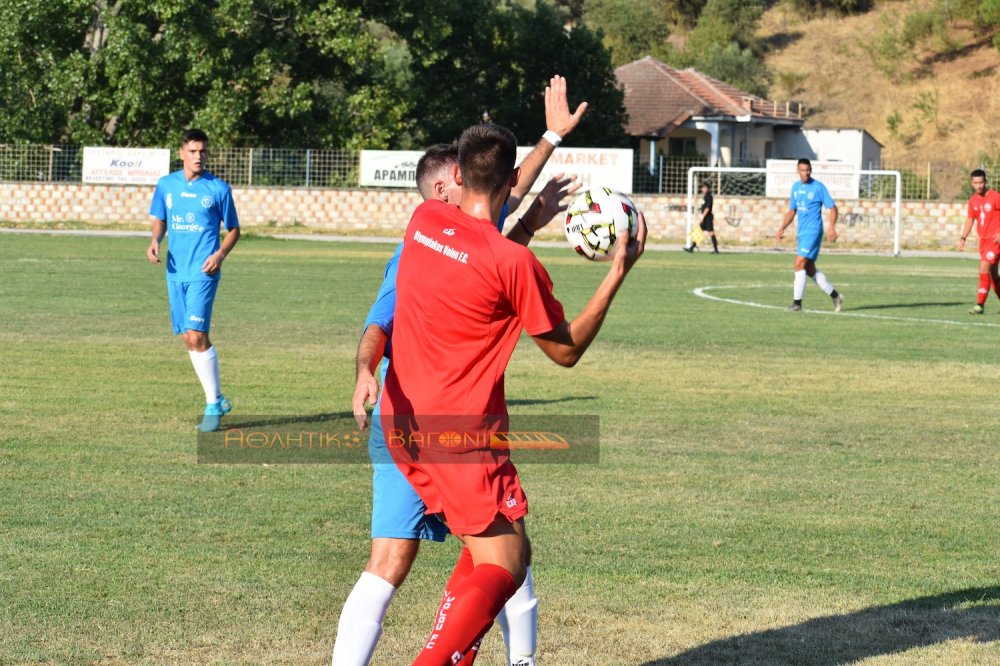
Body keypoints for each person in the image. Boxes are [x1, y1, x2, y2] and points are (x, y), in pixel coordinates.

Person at [332, 76, 586, 666]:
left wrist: (549, 140)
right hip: (428, 422)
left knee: (500, 553)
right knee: (408, 560)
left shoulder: (439, 229)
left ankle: (514, 661)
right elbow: (379, 322)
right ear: (443, 189)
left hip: (418, 423)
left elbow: (498, 216)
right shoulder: (424, 238)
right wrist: (365, 369)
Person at [380, 122, 644, 665]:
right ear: (506, 183)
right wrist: (617, 272)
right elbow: (565, 350)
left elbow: (479, 256)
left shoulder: (425, 221)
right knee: (506, 562)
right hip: (462, 438)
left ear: (456, 175)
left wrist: (526, 218)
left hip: (403, 420)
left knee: (498, 546)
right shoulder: (513, 264)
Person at [147, 128, 240, 432]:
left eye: (203, 151)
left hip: (204, 272)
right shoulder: (166, 185)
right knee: (190, 337)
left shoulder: (218, 189)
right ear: (182, 152)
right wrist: (155, 241)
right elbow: (159, 218)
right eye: (193, 151)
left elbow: (234, 230)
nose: (199, 156)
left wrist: (219, 256)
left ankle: (213, 404)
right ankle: (218, 399)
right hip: (175, 270)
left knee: (196, 333)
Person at [775, 158, 843, 313]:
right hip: (802, 233)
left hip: (814, 232)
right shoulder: (795, 187)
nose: (805, 173)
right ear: (798, 171)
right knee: (810, 269)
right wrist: (782, 227)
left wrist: (831, 228)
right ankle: (836, 296)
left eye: (808, 170)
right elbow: (792, 211)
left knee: (798, 263)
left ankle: (797, 303)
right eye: (802, 170)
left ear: (811, 170)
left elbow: (832, 208)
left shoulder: (818, 187)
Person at [957, 169, 1000, 314]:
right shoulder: (973, 200)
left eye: (981, 182)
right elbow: (970, 219)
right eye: (976, 183)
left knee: (983, 269)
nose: (979, 186)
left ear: (985, 181)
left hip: (996, 241)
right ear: (971, 183)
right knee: (993, 274)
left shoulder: (995, 197)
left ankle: (979, 305)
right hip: (983, 241)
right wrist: (963, 237)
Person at [684, 181, 719, 253]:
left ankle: (716, 250)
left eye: (704, 188)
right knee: (698, 231)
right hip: (705, 217)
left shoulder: (709, 196)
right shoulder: (705, 196)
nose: (703, 189)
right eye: (702, 188)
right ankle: (691, 248)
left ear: (707, 188)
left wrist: (703, 216)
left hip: (708, 218)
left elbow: (708, 208)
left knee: (711, 233)